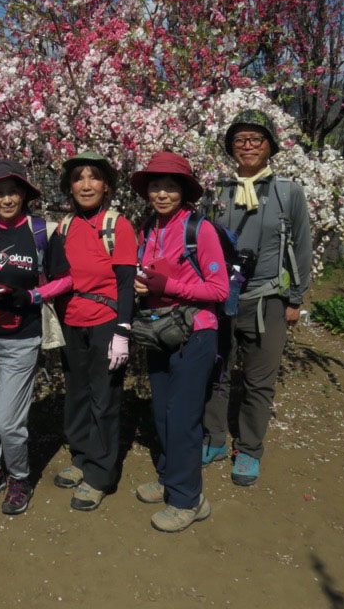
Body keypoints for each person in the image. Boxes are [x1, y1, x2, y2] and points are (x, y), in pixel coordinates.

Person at [201, 110, 312, 486]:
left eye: (256, 139)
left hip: (268, 299)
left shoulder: (288, 192)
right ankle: (214, 439)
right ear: (231, 148)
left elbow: (302, 246)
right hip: (219, 298)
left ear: (270, 147)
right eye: (240, 140)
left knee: (259, 380)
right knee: (215, 372)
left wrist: (295, 299)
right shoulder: (217, 191)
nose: (247, 146)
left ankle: (248, 449)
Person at [0, 159, 72, 515]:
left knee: (9, 418)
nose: (6, 199)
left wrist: (34, 296)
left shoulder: (43, 232)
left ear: (24, 195)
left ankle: (19, 475)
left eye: (12, 192)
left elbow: (66, 279)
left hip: (22, 336)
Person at [130, 151, 228, 533]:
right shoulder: (147, 228)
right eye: (155, 186)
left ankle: (186, 500)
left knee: (184, 417)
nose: (162, 193)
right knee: (162, 412)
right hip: (159, 331)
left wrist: (167, 286)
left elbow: (219, 290)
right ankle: (173, 477)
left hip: (196, 333)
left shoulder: (199, 230)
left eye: (171, 186)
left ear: (184, 191)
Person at [52, 151, 137, 511]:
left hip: (105, 321)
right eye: (78, 178)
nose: (86, 185)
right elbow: (54, 278)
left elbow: (126, 283)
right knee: (77, 393)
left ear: (106, 186)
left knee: (104, 396)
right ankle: (81, 455)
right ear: (69, 187)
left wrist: (122, 330)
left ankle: (100, 473)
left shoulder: (118, 226)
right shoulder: (64, 227)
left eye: (94, 177)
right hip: (72, 320)